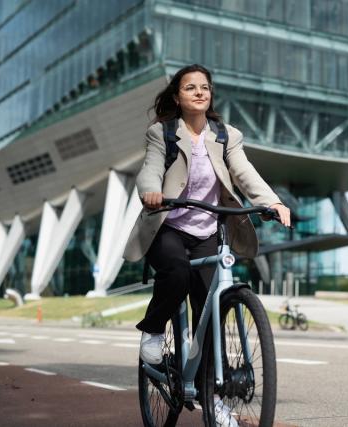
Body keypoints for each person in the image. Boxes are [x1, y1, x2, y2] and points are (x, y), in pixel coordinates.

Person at [123, 64, 290, 424]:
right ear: (177, 96)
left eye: (205, 87)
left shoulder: (226, 135)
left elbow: (244, 172)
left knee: (209, 311)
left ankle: (214, 401)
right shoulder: (162, 133)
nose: (199, 92)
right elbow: (150, 169)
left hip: (208, 230)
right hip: (168, 224)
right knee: (177, 274)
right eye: (190, 87)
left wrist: (272, 201)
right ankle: (152, 331)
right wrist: (150, 192)